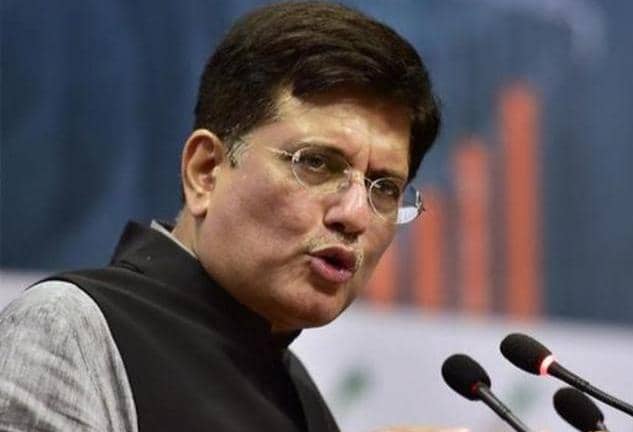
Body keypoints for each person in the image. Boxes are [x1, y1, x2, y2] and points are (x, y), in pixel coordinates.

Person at [0, 2, 449, 431]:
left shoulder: (298, 393)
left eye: (384, 188)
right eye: (316, 163)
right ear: (206, 171)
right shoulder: (69, 329)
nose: (354, 215)